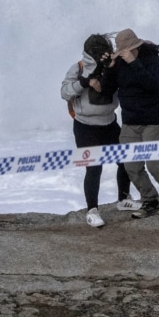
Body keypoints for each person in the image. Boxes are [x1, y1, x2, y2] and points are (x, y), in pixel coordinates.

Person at [106, 28, 159, 227]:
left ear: (136, 47)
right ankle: (150, 200)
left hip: (153, 119)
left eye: (128, 50)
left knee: (154, 165)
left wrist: (133, 63)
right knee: (131, 166)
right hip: (129, 121)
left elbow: (152, 84)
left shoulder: (151, 58)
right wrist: (109, 68)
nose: (125, 54)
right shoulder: (118, 64)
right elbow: (108, 89)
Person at [61, 34, 140, 228]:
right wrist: (85, 82)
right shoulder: (78, 67)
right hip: (85, 126)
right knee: (94, 168)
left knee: (124, 161)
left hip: (109, 122)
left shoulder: (112, 63)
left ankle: (123, 199)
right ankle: (92, 210)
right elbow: (64, 93)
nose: (101, 53)